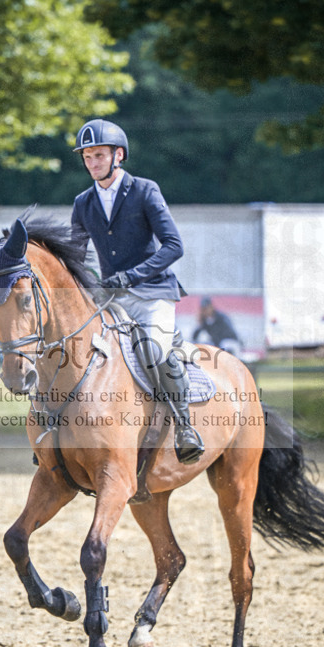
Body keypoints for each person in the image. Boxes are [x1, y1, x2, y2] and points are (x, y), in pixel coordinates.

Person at [71, 118, 204, 465]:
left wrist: (131, 276)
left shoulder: (145, 190)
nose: (92, 163)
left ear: (118, 155)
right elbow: (75, 256)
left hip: (152, 293)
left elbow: (173, 246)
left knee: (154, 351)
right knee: (72, 351)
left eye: (99, 155)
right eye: (87, 157)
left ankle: (186, 427)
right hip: (111, 298)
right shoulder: (83, 203)